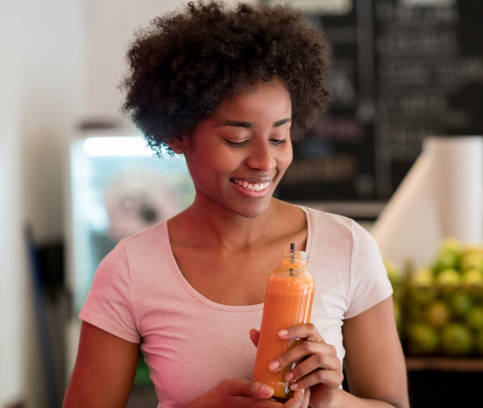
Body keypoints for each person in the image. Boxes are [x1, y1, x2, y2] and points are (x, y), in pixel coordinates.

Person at [64, 1, 409, 407]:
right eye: (236, 139)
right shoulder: (130, 270)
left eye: (280, 137)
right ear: (178, 134)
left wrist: (330, 400)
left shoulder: (347, 247)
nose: (265, 161)